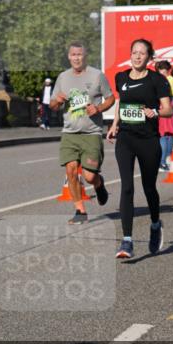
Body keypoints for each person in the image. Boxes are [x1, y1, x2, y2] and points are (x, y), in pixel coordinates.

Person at [107, 39, 172, 258]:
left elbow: (168, 110)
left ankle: (155, 224)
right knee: (127, 187)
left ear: (149, 57)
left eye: (142, 53)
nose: (137, 56)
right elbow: (120, 103)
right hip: (126, 138)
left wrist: (155, 111)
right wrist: (114, 124)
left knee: (149, 187)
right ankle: (127, 241)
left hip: (148, 140)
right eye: (134, 52)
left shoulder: (158, 80)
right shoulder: (121, 77)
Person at [49, 42, 114, 224]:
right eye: (73, 55)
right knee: (70, 170)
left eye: (79, 54)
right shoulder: (62, 77)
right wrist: (58, 101)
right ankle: (80, 210)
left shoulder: (97, 76)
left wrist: (98, 108)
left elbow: (111, 98)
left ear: (85, 57)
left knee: (89, 176)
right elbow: (52, 105)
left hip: (91, 132)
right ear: (69, 57)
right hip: (69, 132)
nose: (76, 58)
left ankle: (99, 184)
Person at [156, 60, 173, 171]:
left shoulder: (157, 79)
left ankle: (161, 162)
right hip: (166, 107)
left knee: (163, 136)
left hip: (160, 107)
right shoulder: (166, 80)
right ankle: (163, 162)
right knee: (166, 135)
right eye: (167, 70)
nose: (168, 72)